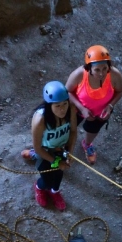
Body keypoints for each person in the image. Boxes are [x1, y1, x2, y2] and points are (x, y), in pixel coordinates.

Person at [22, 81, 77, 210]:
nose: (62, 109)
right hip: (44, 150)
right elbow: (38, 147)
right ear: (49, 105)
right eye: (57, 106)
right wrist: (56, 162)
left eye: (65, 104)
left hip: (61, 148)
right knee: (47, 178)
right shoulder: (40, 119)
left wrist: (70, 152)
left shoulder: (71, 109)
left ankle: (55, 191)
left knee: (58, 175)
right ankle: (39, 187)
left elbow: (73, 131)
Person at [65, 45, 122, 164]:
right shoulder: (79, 75)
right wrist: (82, 109)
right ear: (89, 68)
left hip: (101, 112)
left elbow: (119, 91)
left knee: (93, 129)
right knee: (68, 129)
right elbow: (67, 91)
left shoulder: (114, 75)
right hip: (77, 110)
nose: (102, 73)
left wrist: (110, 106)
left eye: (104, 68)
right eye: (97, 69)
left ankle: (87, 144)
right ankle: (61, 147)